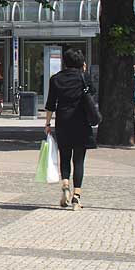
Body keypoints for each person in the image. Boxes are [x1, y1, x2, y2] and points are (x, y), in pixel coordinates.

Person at [44, 49, 100, 210]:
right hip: (81, 123)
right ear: (81, 62)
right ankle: (76, 196)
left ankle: (65, 185)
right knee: (79, 160)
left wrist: (47, 124)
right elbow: (92, 96)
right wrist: (83, 72)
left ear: (65, 61)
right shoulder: (84, 78)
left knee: (65, 157)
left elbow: (50, 104)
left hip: (63, 122)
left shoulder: (56, 79)